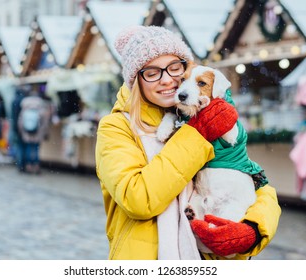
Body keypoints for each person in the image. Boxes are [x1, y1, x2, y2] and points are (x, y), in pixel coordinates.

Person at [95, 25, 281, 260]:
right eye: (152, 73)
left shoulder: (204, 113)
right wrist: (197, 134)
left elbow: (252, 181)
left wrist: (253, 228)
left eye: (175, 69)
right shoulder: (116, 127)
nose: (167, 80)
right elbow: (138, 199)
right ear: (136, 80)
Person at [17, 90, 50, 174]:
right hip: (37, 134)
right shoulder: (41, 108)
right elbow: (45, 122)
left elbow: (20, 122)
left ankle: (28, 166)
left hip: (27, 133)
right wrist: (44, 132)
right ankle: (36, 167)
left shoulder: (25, 108)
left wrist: (22, 131)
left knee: (28, 149)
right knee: (36, 150)